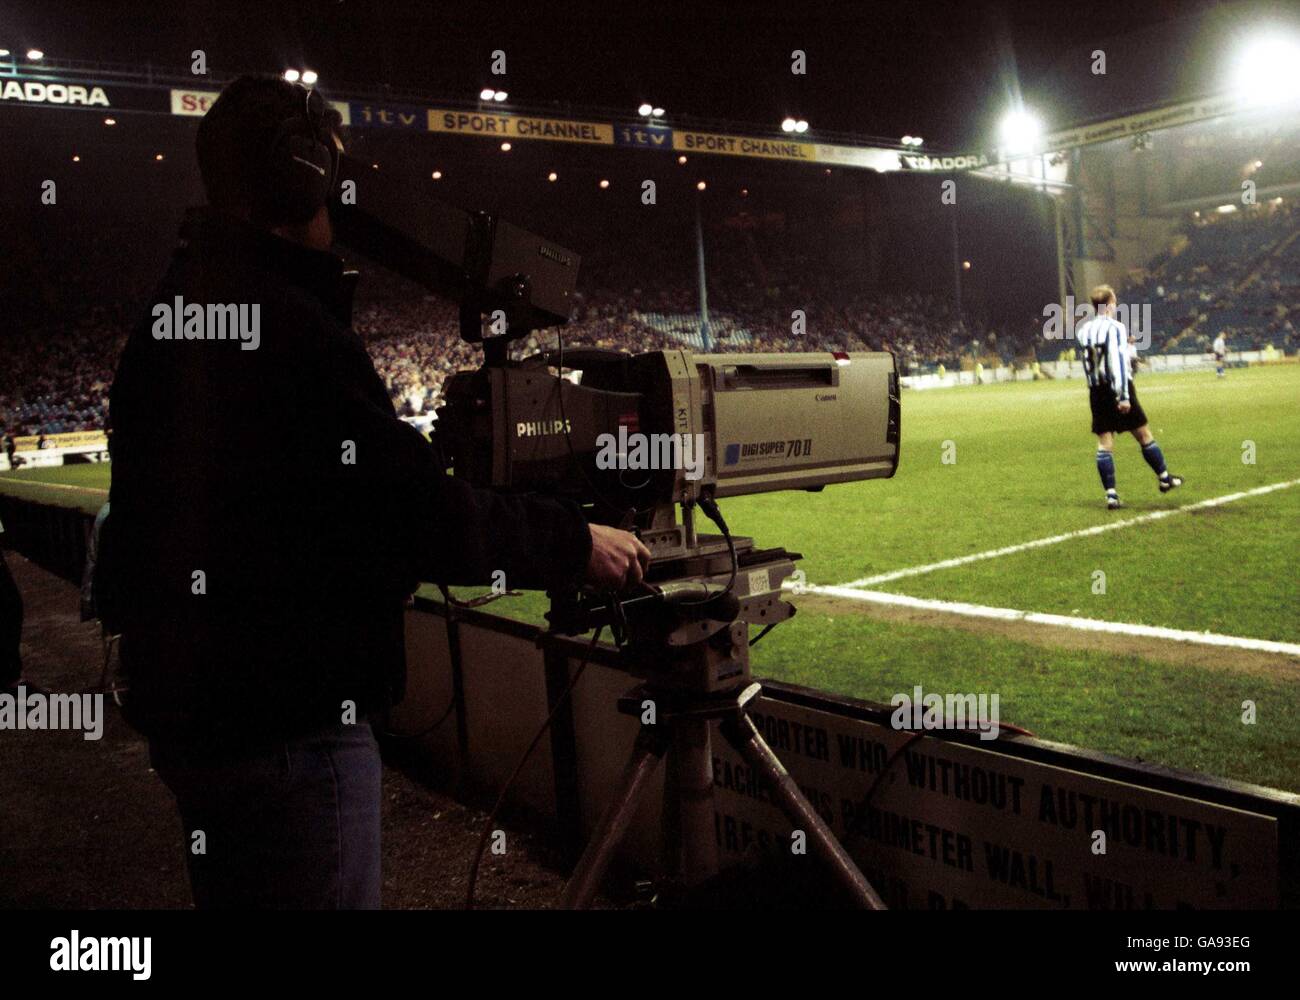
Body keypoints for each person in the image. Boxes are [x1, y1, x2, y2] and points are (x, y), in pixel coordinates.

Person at [103, 75, 649, 909]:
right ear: (302, 179)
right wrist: (574, 543)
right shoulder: (286, 324)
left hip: (203, 722)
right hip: (291, 732)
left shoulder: (176, 311)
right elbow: (409, 511)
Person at [1075, 285, 1183, 511]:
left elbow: (1095, 359)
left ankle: (1111, 496)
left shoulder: (1083, 330)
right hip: (1117, 388)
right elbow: (1116, 362)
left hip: (1095, 391)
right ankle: (1164, 478)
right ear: (1110, 304)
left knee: (1104, 444)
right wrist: (1123, 396)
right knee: (1144, 434)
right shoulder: (1115, 328)